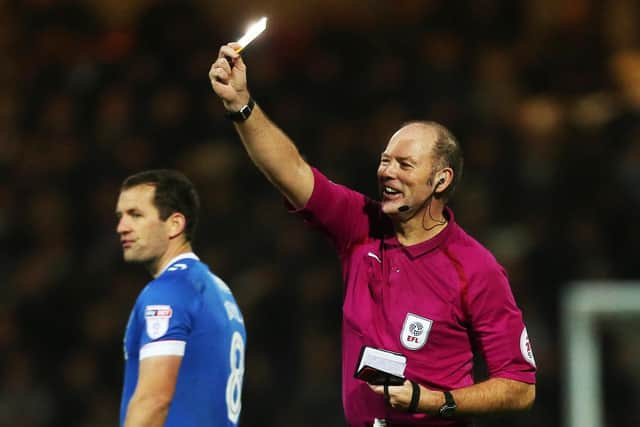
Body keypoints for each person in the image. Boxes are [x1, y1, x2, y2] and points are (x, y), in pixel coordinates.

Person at [209, 43, 536, 427]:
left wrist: (434, 401)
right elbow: (292, 171)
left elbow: (519, 385)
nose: (387, 172)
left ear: (440, 180)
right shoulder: (360, 223)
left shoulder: (475, 268)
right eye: (385, 160)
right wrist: (241, 105)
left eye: (404, 164)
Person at [115, 169, 246, 427]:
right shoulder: (220, 292)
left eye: (136, 215)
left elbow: (153, 401)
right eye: (120, 216)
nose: (121, 227)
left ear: (175, 224)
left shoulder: (168, 291)